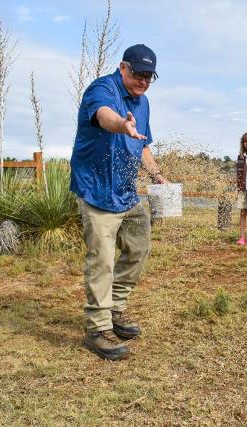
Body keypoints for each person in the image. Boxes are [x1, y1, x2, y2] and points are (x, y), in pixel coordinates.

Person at [70, 44, 168, 360]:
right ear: (123, 67)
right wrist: (121, 125)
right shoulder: (103, 88)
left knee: (139, 247)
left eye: (149, 76)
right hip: (97, 189)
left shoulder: (144, 102)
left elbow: (144, 147)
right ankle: (98, 329)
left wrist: (157, 176)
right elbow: (105, 116)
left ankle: (115, 309)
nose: (143, 81)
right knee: (102, 259)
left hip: (126, 190)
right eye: (138, 73)